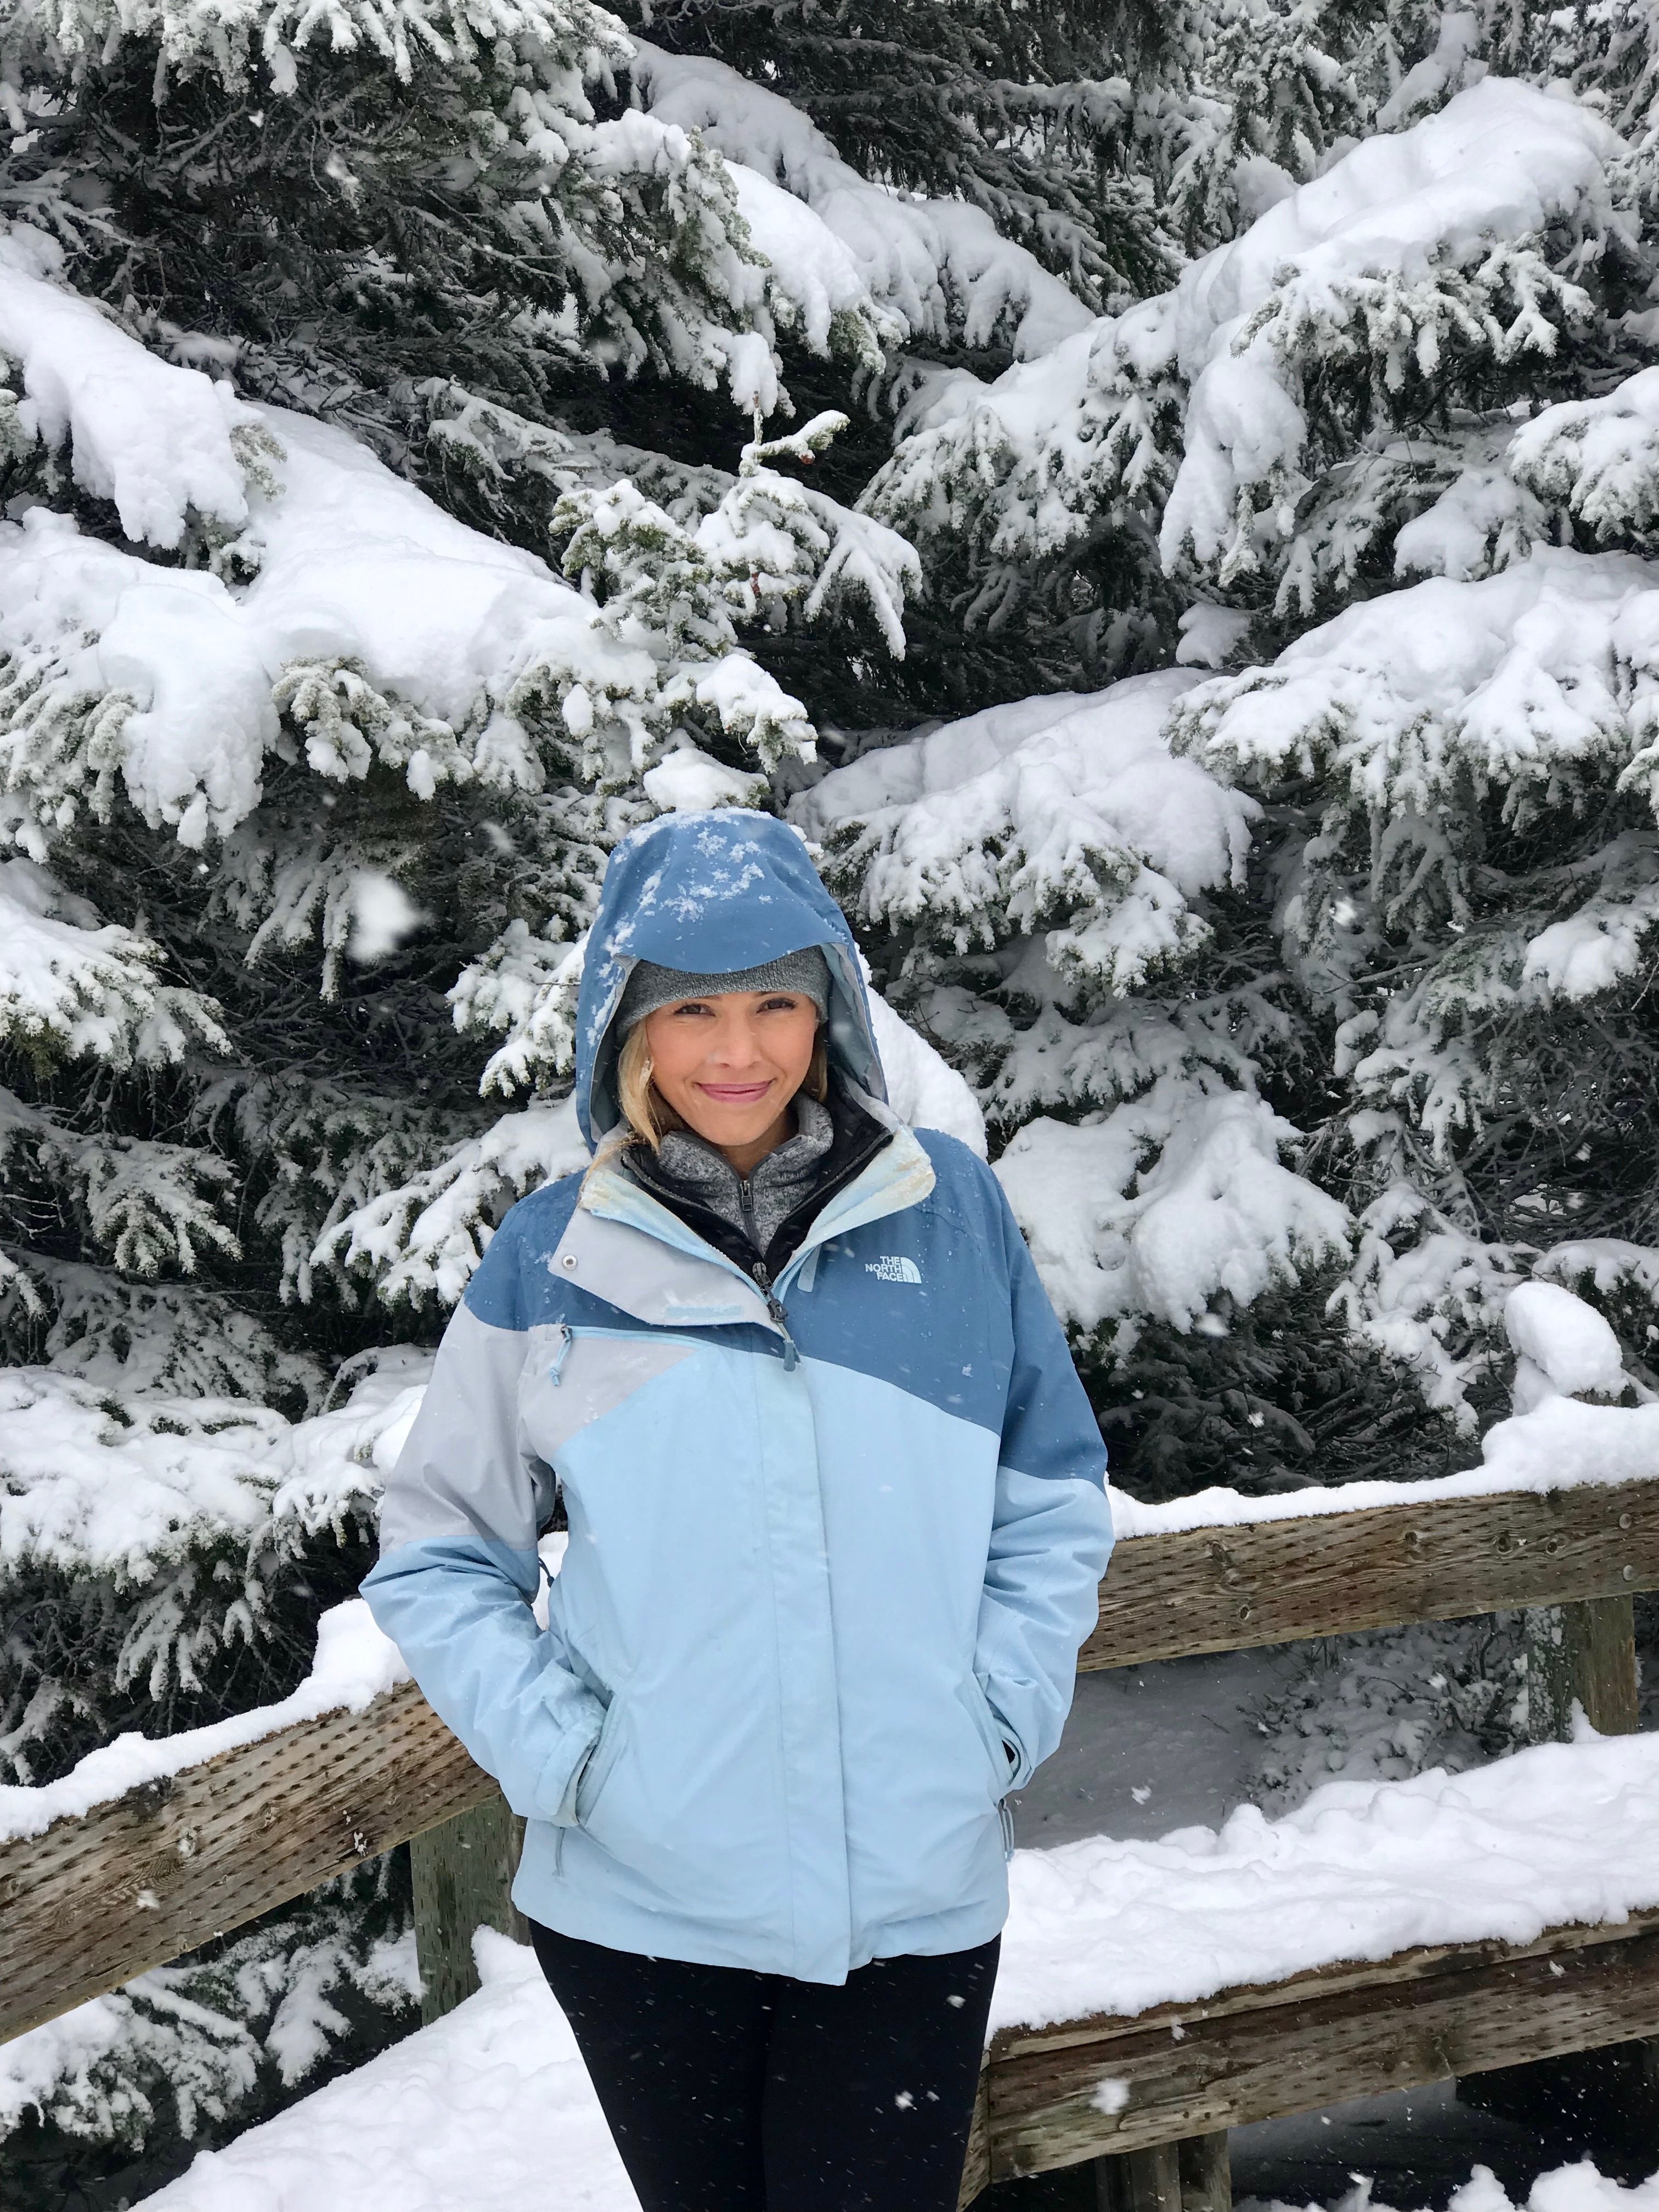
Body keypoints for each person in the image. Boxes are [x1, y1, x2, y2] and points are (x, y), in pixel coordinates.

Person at [364, 809, 1114, 2212]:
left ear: (829, 1008)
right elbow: (443, 1545)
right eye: (692, 1009)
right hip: (645, 1908)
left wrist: (997, 1716)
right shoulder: (552, 1256)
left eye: (777, 1001)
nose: (739, 1050)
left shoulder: (948, 1214)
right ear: (625, 1031)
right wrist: (570, 1761)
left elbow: (1051, 1494)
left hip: (911, 1898)